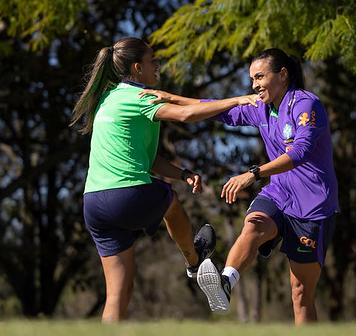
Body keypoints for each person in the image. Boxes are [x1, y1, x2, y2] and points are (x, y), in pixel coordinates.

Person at [140, 48, 339, 326]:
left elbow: (301, 151)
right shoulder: (261, 107)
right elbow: (216, 109)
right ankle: (224, 283)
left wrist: (253, 173)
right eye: (251, 79)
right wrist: (171, 97)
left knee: (301, 293)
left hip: (313, 204)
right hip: (280, 192)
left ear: (282, 75)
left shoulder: (306, 104)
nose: (254, 85)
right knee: (253, 224)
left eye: (260, 76)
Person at [71, 37, 257, 322]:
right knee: (168, 201)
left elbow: (149, 161)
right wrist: (237, 100)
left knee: (118, 293)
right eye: (152, 61)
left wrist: (183, 174)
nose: (157, 66)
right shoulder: (141, 98)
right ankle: (194, 262)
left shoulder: (107, 99)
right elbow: (186, 114)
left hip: (93, 204)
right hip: (125, 195)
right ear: (137, 68)